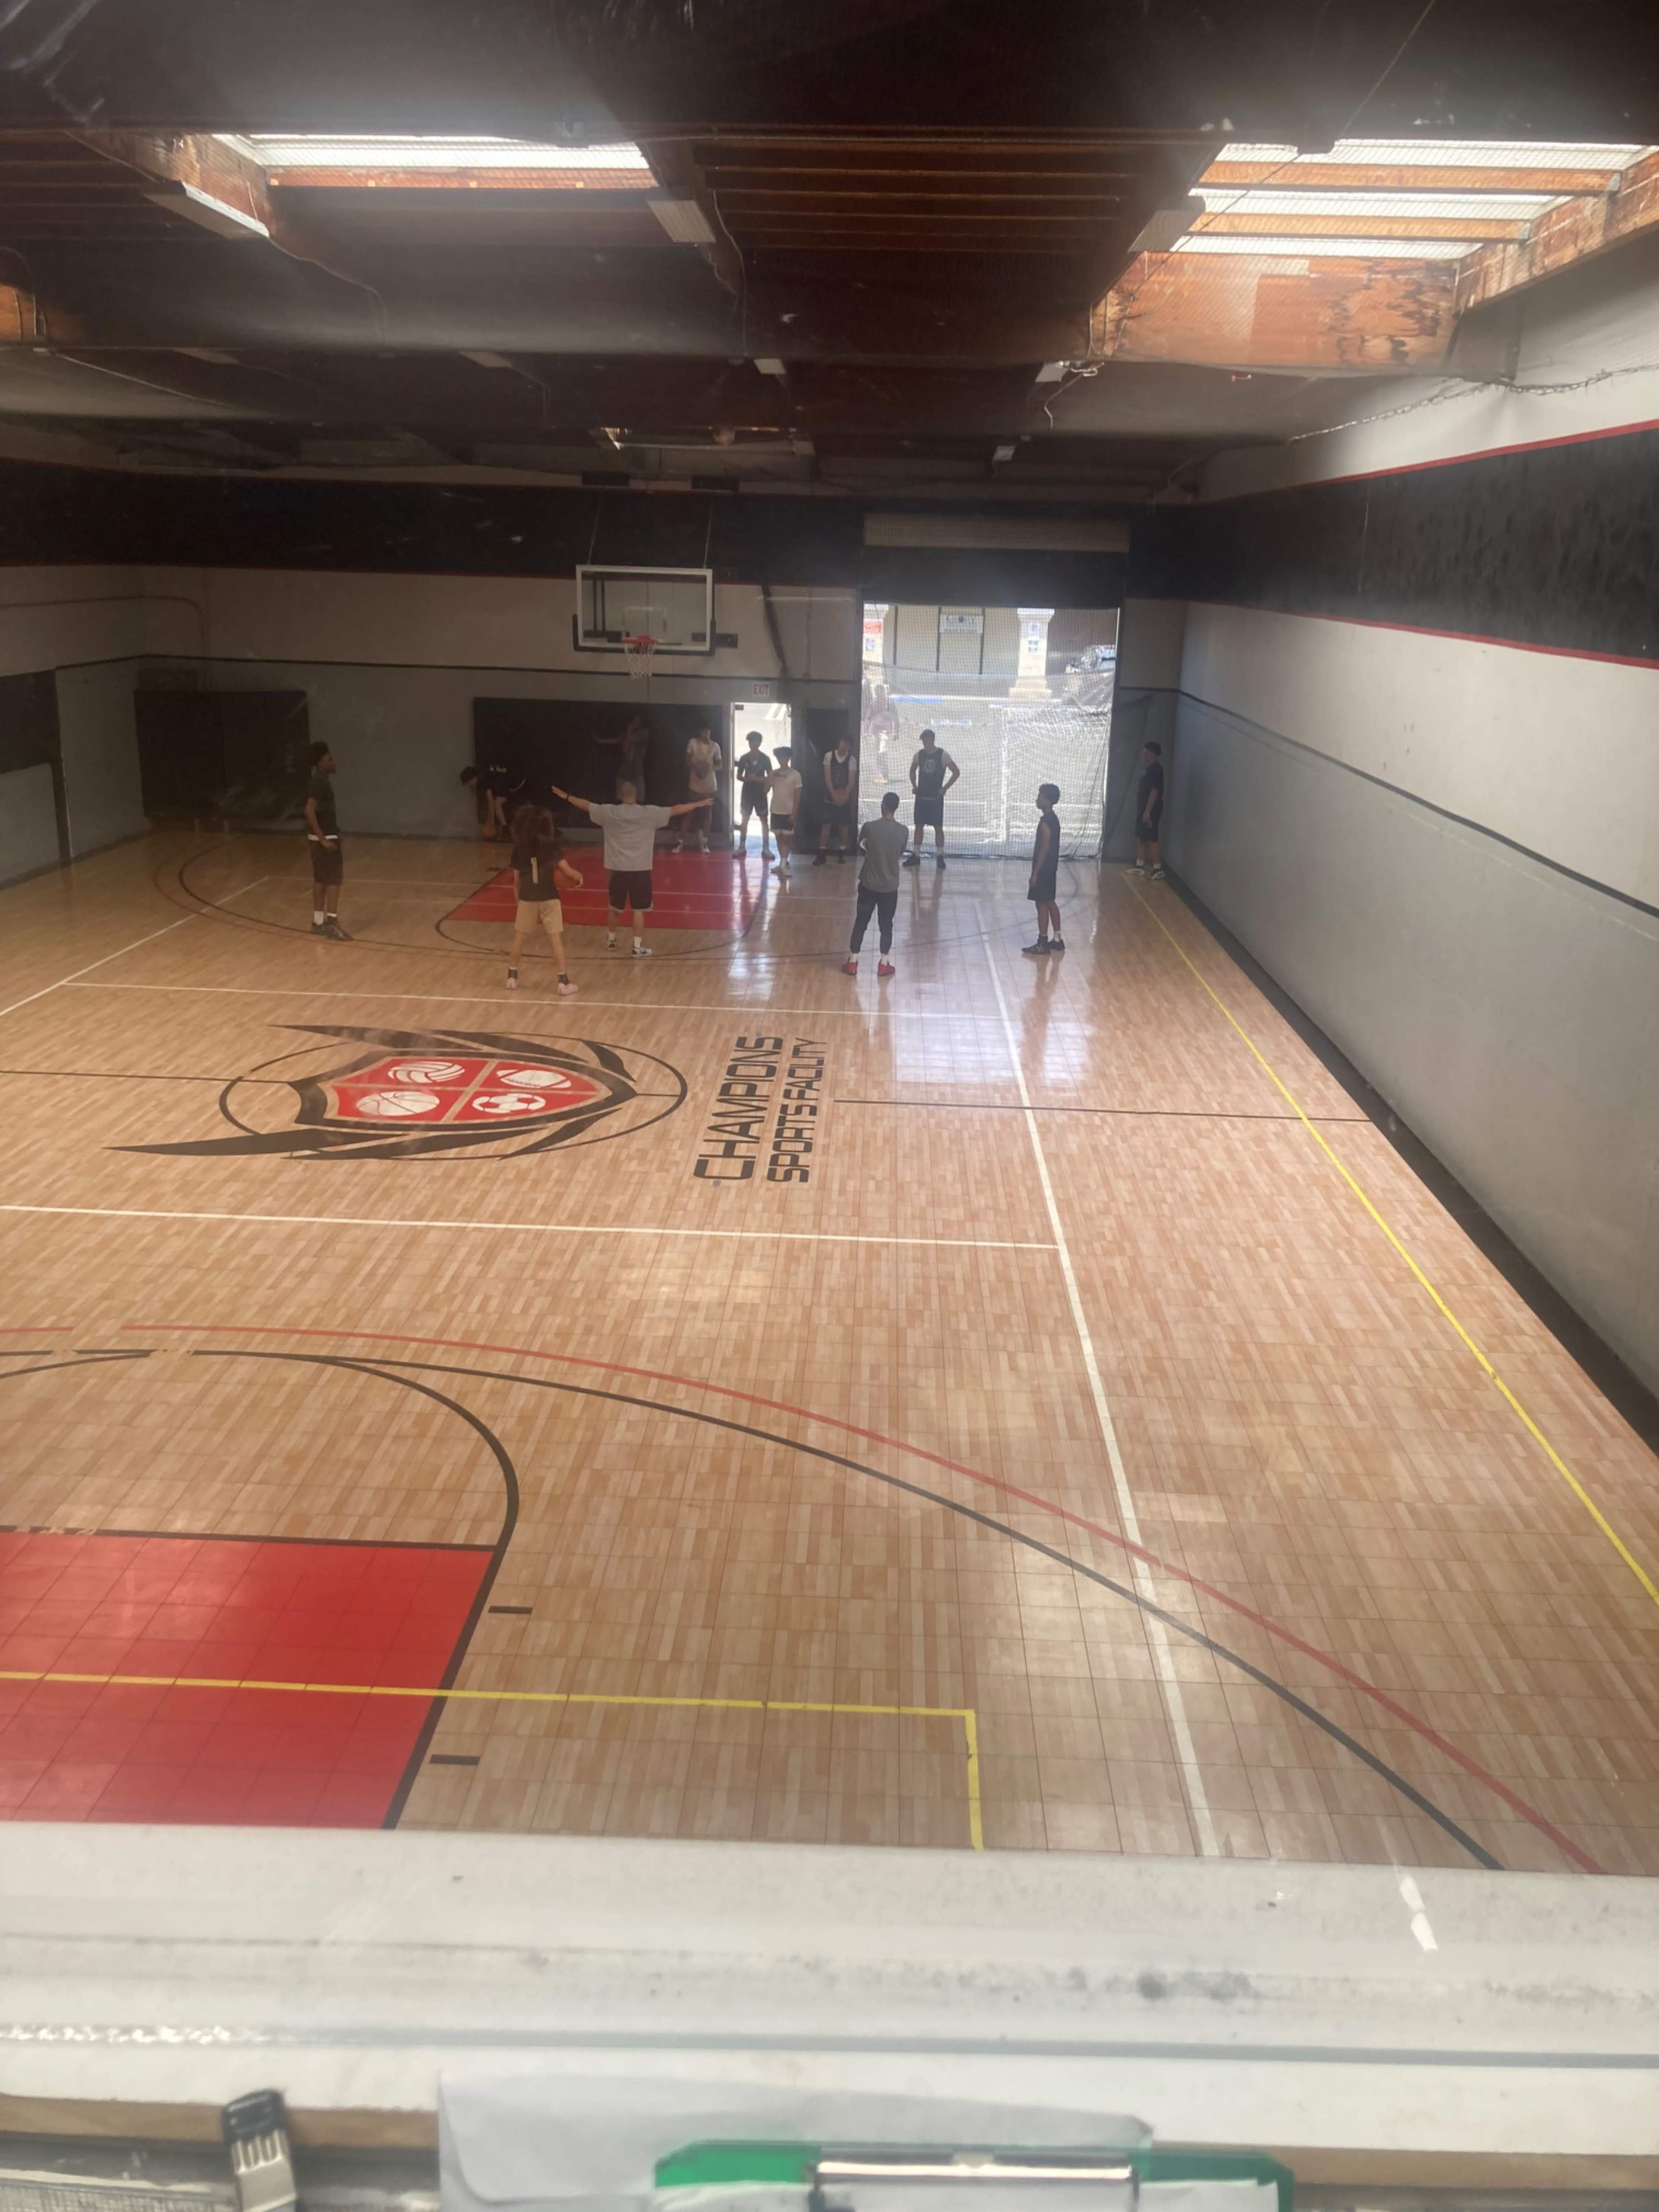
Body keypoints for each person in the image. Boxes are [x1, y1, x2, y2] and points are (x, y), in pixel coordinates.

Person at [550, 775, 702, 956]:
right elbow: (676, 810)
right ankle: (637, 947)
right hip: (641, 870)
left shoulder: (609, 812)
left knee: (615, 908)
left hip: (618, 870)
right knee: (639, 910)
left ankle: (611, 940)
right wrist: (697, 804)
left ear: (620, 796)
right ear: (637, 795)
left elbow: (586, 805)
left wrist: (567, 797)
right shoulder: (649, 813)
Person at [505, 804, 583, 996]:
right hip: (549, 897)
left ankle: (512, 977)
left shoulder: (519, 848)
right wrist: (578, 877)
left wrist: (519, 902)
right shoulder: (552, 846)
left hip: (527, 896)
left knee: (519, 936)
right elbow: (567, 871)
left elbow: (516, 882)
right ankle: (563, 982)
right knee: (556, 939)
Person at [842, 791, 907, 977]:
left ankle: (853, 961)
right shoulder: (903, 831)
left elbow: (862, 847)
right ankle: (884, 963)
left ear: (882, 806)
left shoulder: (869, 827)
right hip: (890, 888)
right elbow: (900, 852)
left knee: (861, 922)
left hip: (868, 885)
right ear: (896, 808)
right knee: (886, 925)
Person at [304, 741, 351, 940]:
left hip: (324, 837)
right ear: (320, 763)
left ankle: (318, 923)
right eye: (329, 759)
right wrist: (324, 839)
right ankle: (331, 922)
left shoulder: (321, 781)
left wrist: (335, 832)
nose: (333, 762)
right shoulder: (319, 782)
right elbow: (309, 810)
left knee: (321, 880)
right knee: (333, 880)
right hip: (324, 841)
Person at [903, 726, 960, 868]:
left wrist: (945, 788)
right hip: (922, 797)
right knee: (919, 826)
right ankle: (916, 855)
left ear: (933, 740)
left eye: (927, 739)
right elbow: (912, 770)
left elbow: (956, 772)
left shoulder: (943, 755)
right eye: (923, 740)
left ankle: (940, 856)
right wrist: (914, 785)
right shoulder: (919, 755)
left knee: (938, 827)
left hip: (936, 798)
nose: (925, 742)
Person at [1024, 782, 1064, 956]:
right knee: (1050, 902)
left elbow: (1044, 849)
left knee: (1041, 904)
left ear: (1047, 801)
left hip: (1044, 870)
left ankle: (1042, 942)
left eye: (1039, 797)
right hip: (1051, 869)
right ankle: (1058, 939)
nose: (1037, 800)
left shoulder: (1045, 822)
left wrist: (1035, 873)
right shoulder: (1054, 819)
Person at [674, 721, 721, 852]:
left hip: (710, 786)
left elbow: (720, 765)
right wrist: (697, 766)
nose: (705, 734)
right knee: (689, 814)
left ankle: (705, 842)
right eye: (703, 731)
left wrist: (710, 768)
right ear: (700, 732)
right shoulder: (693, 743)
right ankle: (680, 842)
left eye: (708, 731)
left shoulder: (715, 746)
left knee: (707, 813)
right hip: (695, 785)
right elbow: (687, 761)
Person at [814, 731, 858, 864]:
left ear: (850, 747)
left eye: (847, 744)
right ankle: (822, 853)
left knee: (843, 825)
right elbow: (828, 778)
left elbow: (851, 781)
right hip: (830, 795)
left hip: (844, 797)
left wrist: (844, 795)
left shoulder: (852, 760)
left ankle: (842, 852)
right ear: (840, 742)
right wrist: (833, 794)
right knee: (826, 825)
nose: (844, 745)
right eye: (843, 742)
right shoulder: (829, 756)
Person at [460, 758, 524, 841]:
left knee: (497, 804)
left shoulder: (483, 780)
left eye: (469, 783)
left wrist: (491, 821)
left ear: (474, 778)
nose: (470, 786)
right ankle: (506, 830)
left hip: (515, 780)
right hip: (511, 778)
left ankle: (506, 831)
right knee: (497, 803)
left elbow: (490, 800)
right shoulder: (484, 774)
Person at [733, 729, 773, 856]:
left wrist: (759, 780)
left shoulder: (765, 759)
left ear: (760, 743)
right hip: (747, 793)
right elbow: (739, 776)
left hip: (760, 793)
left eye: (754, 741)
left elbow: (770, 777)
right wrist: (747, 779)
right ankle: (742, 846)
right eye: (750, 742)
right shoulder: (744, 758)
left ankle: (766, 848)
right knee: (745, 819)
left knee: (764, 820)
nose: (752, 744)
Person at [600, 714, 651, 802]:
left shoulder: (644, 732)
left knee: (639, 798)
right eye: (633, 720)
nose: (634, 722)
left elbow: (627, 744)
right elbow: (619, 742)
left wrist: (629, 731)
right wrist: (602, 741)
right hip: (624, 770)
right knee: (620, 798)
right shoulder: (626, 733)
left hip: (637, 771)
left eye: (637, 720)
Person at [767, 745, 802, 875]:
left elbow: (798, 797)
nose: (781, 760)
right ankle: (783, 863)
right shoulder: (774, 774)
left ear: (788, 758)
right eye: (779, 757)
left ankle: (784, 864)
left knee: (787, 838)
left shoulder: (796, 775)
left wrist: (794, 813)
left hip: (788, 811)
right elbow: (765, 790)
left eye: (783, 757)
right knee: (778, 837)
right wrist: (770, 777)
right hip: (776, 810)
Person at [1135, 740, 1166, 880]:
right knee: (1142, 836)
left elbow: (1155, 791)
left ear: (1154, 754)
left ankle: (1157, 868)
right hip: (1143, 808)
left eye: (1147, 753)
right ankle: (1140, 865)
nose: (1144, 756)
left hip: (1152, 810)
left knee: (1153, 837)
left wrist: (1148, 811)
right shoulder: (1148, 770)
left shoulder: (1156, 770)